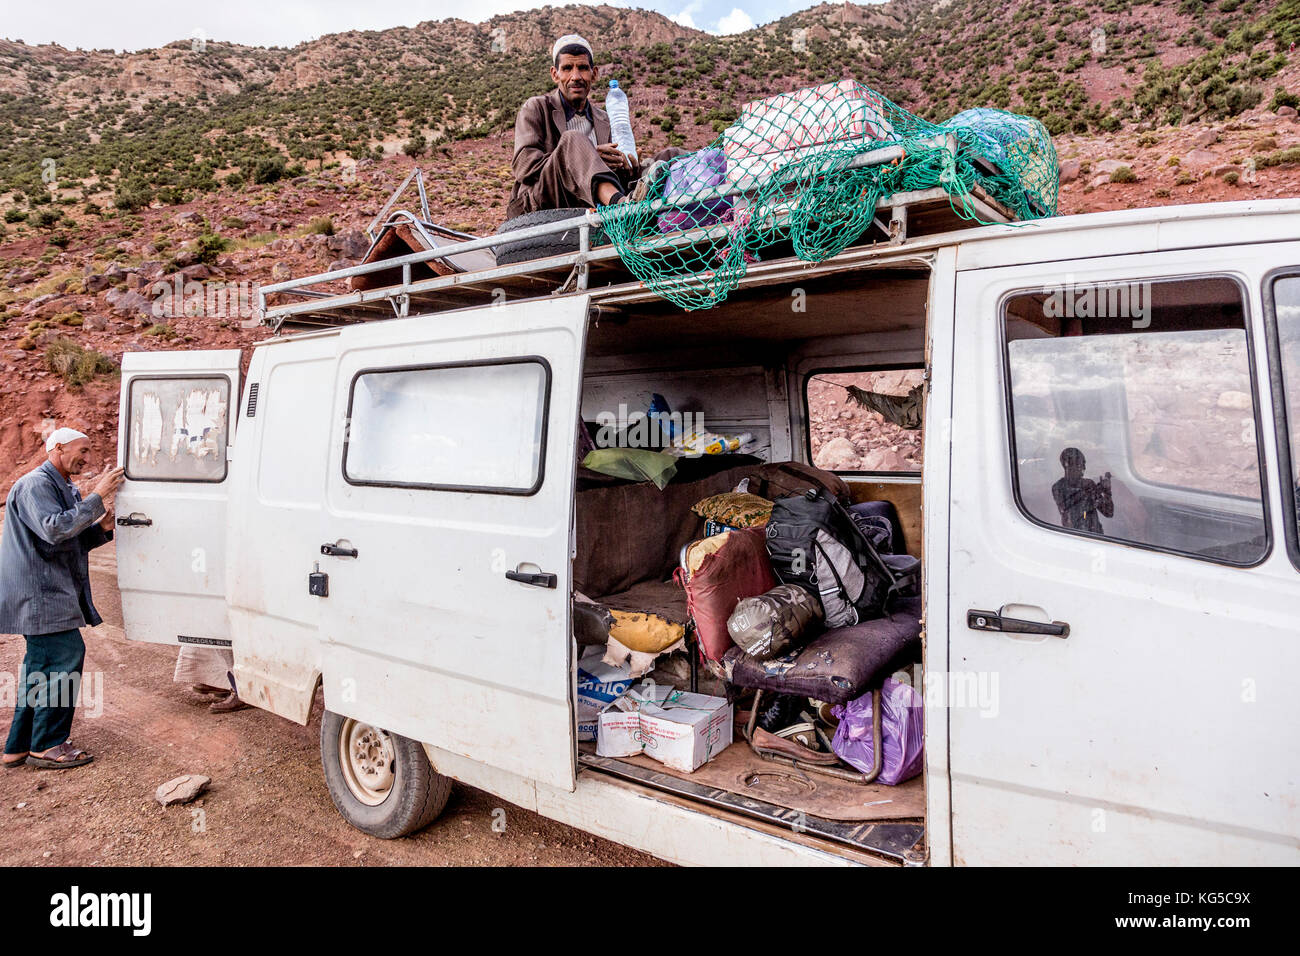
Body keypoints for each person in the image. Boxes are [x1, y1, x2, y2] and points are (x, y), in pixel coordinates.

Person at [0, 428, 124, 769]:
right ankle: (49, 743)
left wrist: (103, 528)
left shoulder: (61, 486)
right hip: (39, 593)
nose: (87, 458)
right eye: (81, 451)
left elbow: (67, 540)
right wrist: (96, 498)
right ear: (57, 448)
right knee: (66, 655)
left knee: (40, 668)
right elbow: (54, 528)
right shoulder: (36, 484)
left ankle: (21, 745)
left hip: (45, 592)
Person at [506, 34, 687, 218]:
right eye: (567, 68)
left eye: (583, 68)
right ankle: (622, 208)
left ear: (594, 74)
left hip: (594, 200)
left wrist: (625, 166)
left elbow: (608, 173)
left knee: (671, 156)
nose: (575, 76)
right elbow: (525, 167)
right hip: (546, 200)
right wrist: (584, 155)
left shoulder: (605, 119)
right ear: (555, 74)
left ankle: (697, 205)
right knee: (573, 139)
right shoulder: (536, 107)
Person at [1051, 446, 1113, 534]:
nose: (1084, 468)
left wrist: (1107, 492)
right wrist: (1088, 492)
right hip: (1074, 538)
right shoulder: (1058, 487)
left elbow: (1108, 513)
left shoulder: (1089, 484)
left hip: (1096, 537)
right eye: (1080, 464)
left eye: (1084, 464)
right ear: (1067, 465)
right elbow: (1067, 507)